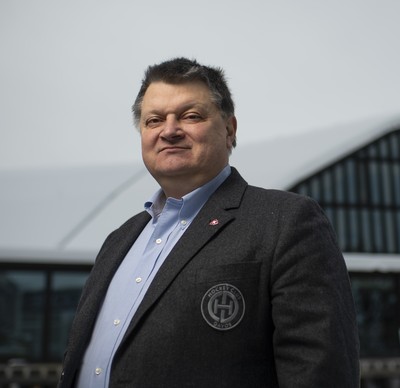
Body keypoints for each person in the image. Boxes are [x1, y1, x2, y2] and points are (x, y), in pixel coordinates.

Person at [58, 57, 360, 388]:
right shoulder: (119, 240)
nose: (169, 131)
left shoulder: (285, 221)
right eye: (154, 120)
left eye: (190, 116)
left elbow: (319, 374)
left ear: (229, 129)